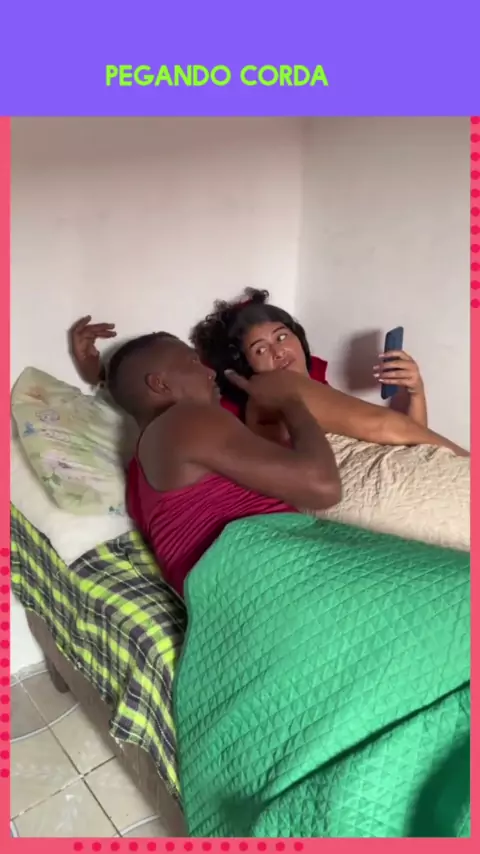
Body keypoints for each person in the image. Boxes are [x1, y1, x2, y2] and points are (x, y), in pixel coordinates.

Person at [105, 332, 341, 597]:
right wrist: (291, 400)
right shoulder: (186, 419)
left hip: (234, 599)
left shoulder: (139, 474)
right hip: (282, 576)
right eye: (193, 362)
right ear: (159, 383)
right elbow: (324, 487)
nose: (210, 372)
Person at [190, 289, 465, 456]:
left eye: (282, 337)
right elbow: (384, 426)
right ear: (246, 367)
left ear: (300, 339)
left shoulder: (316, 387)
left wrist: (416, 391)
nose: (278, 351)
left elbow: (417, 446)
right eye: (260, 350)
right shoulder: (275, 389)